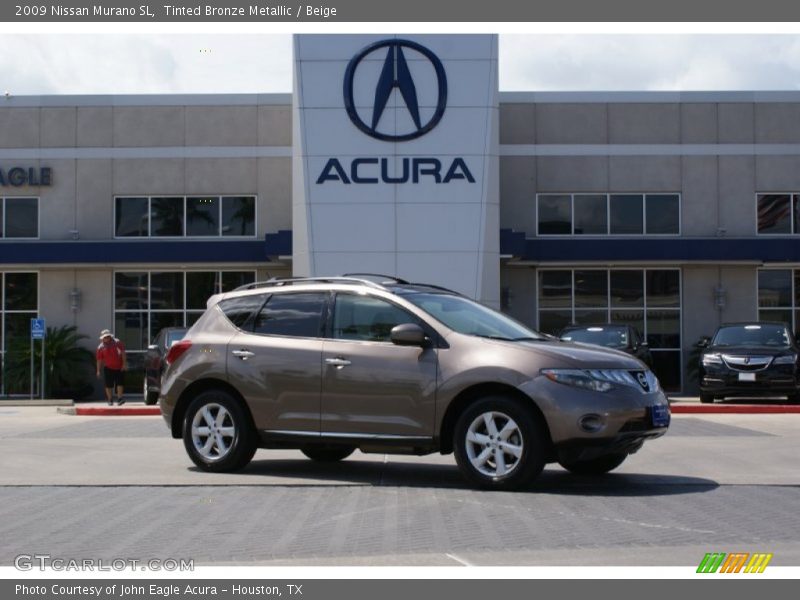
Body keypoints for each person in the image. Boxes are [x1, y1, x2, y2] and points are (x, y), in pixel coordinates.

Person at [96, 329, 127, 406]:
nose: (106, 338)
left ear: (110, 336)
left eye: (107, 337)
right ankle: (110, 399)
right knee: (108, 385)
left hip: (119, 367)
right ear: (102, 338)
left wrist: (124, 364)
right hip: (108, 368)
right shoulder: (100, 347)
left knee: (120, 383)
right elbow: (99, 360)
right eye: (104, 337)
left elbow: (123, 353)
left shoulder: (117, 343)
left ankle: (120, 398)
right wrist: (98, 370)